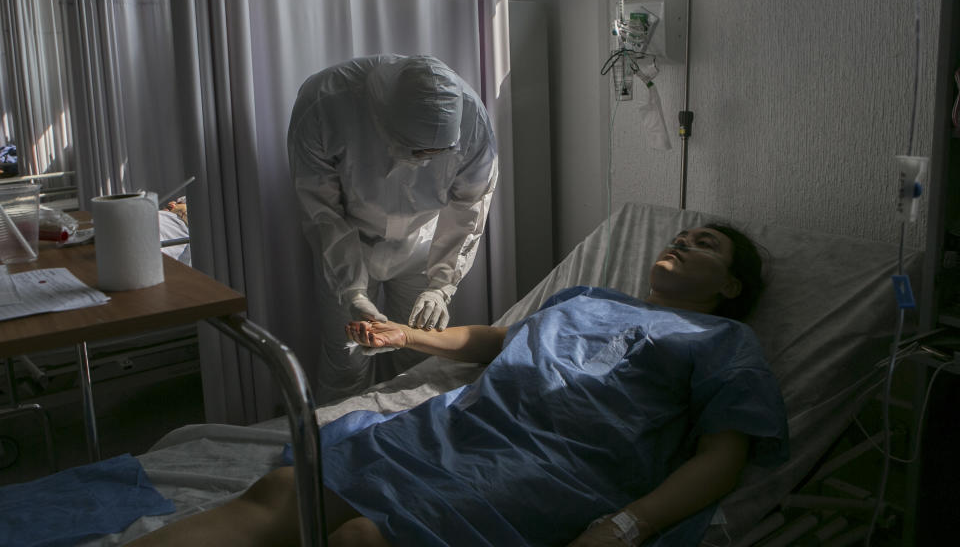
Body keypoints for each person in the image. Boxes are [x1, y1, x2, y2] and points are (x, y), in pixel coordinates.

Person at [128, 223, 788, 547]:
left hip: (558, 463)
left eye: (704, 244)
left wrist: (627, 526)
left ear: (730, 288)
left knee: (363, 540)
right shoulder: (589, 296)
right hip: (461, 423)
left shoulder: (724, 342)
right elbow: (502, 341)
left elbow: (724, 457)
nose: (682, 239)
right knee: (282, 491)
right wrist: (406, 337)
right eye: (683, 232)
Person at [287, 54, 498, 403]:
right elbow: (322, 213)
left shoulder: (473, 122)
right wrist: (353, 290)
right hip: (348, 242)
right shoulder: (324, 105)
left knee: (420, 359)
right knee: (346, 360)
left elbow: (469, 207)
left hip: (421, 245)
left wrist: (442, 284)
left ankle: (413, 436)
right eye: (417, 151)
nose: (426, 162)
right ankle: (335, 442)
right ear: (382, 122)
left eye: (437, 152)